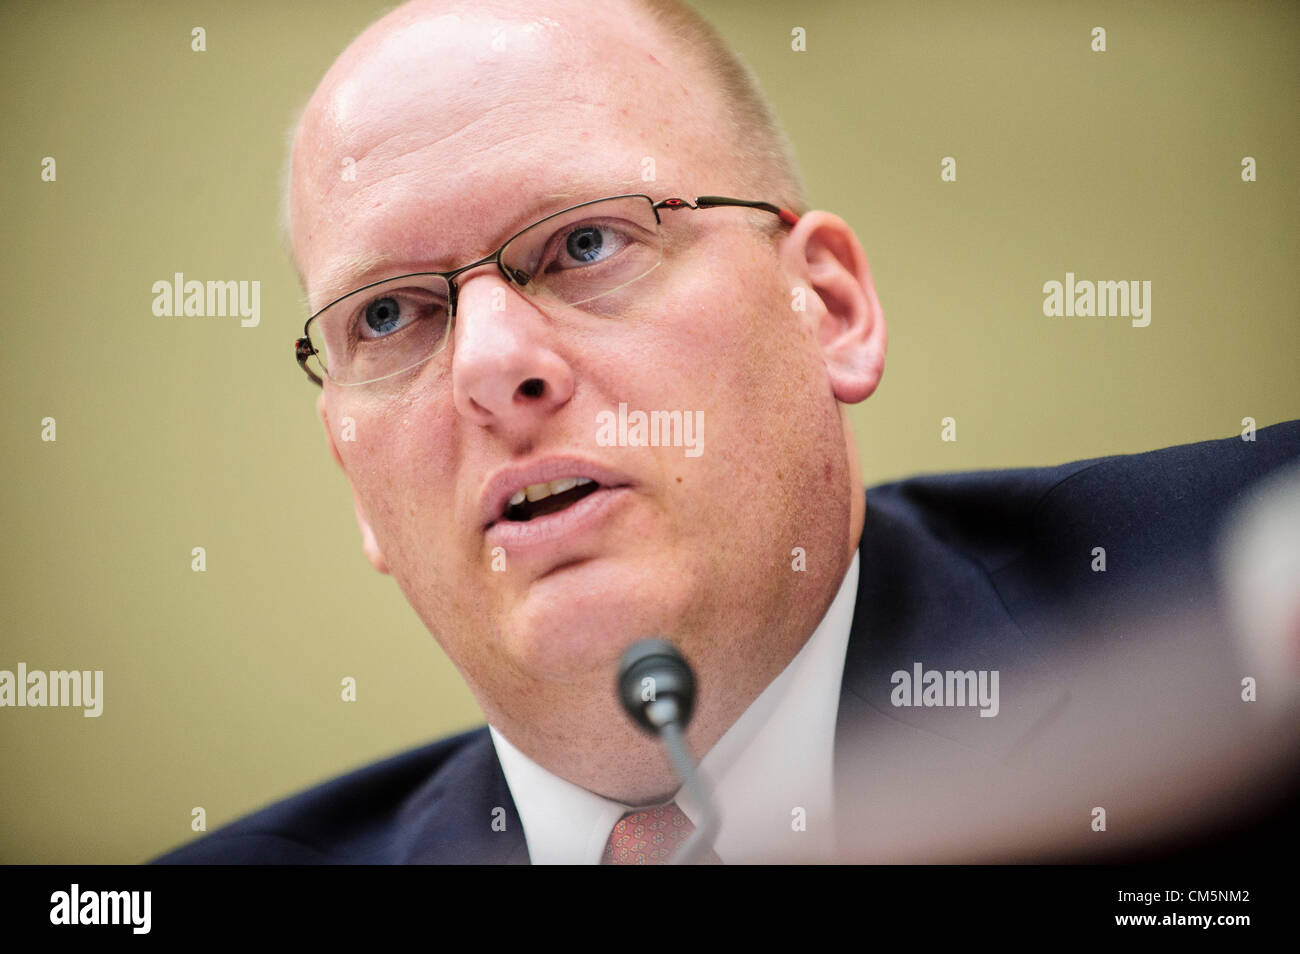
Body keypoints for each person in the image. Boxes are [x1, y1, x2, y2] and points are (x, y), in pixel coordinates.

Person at [154, 0, 1299, 865]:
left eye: (587, 243)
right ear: (354, 482)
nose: (492, 367)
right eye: (390, 315)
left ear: (831, 310)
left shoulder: (1236, 605)